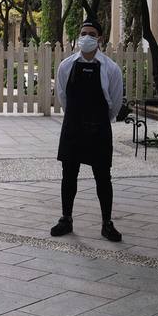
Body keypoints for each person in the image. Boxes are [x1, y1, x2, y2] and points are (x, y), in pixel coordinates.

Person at [51, 20, 124, 241]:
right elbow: (62, 96)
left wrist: (100, 120)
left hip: (99, 128)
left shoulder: (111, 68)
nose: (87, 37)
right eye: (83, 33)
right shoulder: (66, 66)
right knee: (68, 175)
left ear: (100, 39)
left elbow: (115, 103)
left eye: (92, 34)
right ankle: (66, 218)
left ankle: (107, 223)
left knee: (103, 177)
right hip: (73, 126)